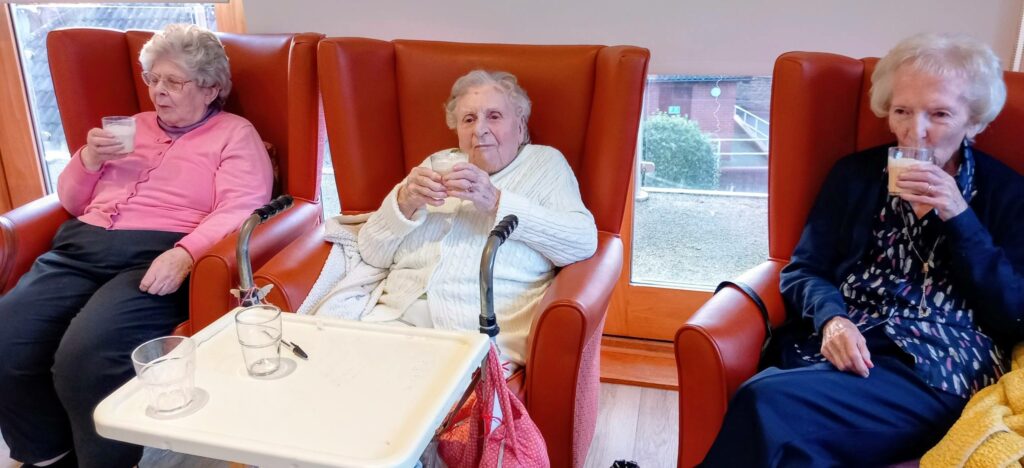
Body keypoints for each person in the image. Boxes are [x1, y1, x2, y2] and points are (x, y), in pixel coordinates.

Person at [702, 33, 1024, 466]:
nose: (917, 131)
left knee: (766, 402)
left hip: (939, 368)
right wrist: (832, 320)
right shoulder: (855, 176)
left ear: (974, 121)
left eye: (940, 113)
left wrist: (959, 216)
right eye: (902, 111)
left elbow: (1013, 312)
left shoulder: (1007, 194)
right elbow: (803, 270)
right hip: (847, 347)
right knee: (798, 451)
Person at [0, 24, 273, 468]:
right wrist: (87, 161)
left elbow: (240, 207)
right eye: (153, 79)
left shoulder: (234, 134)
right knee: (5, 337)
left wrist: (185, 255)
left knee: (86, 358)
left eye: (174, 81)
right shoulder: (132, 127)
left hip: (154, 257)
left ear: (211, 89)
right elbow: (72, 201)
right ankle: (47, 455)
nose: (159, 92)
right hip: (79, 247)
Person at [355, 69, 598, 367]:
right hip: (390, 320)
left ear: (520, 126)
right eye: (468, 119)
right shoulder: (437, 164)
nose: (479, 129)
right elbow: (370, 251)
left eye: (494, 116)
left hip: (471, 335)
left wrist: (496, 201)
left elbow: (582, 242)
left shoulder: (544, 164)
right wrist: (404, 202)